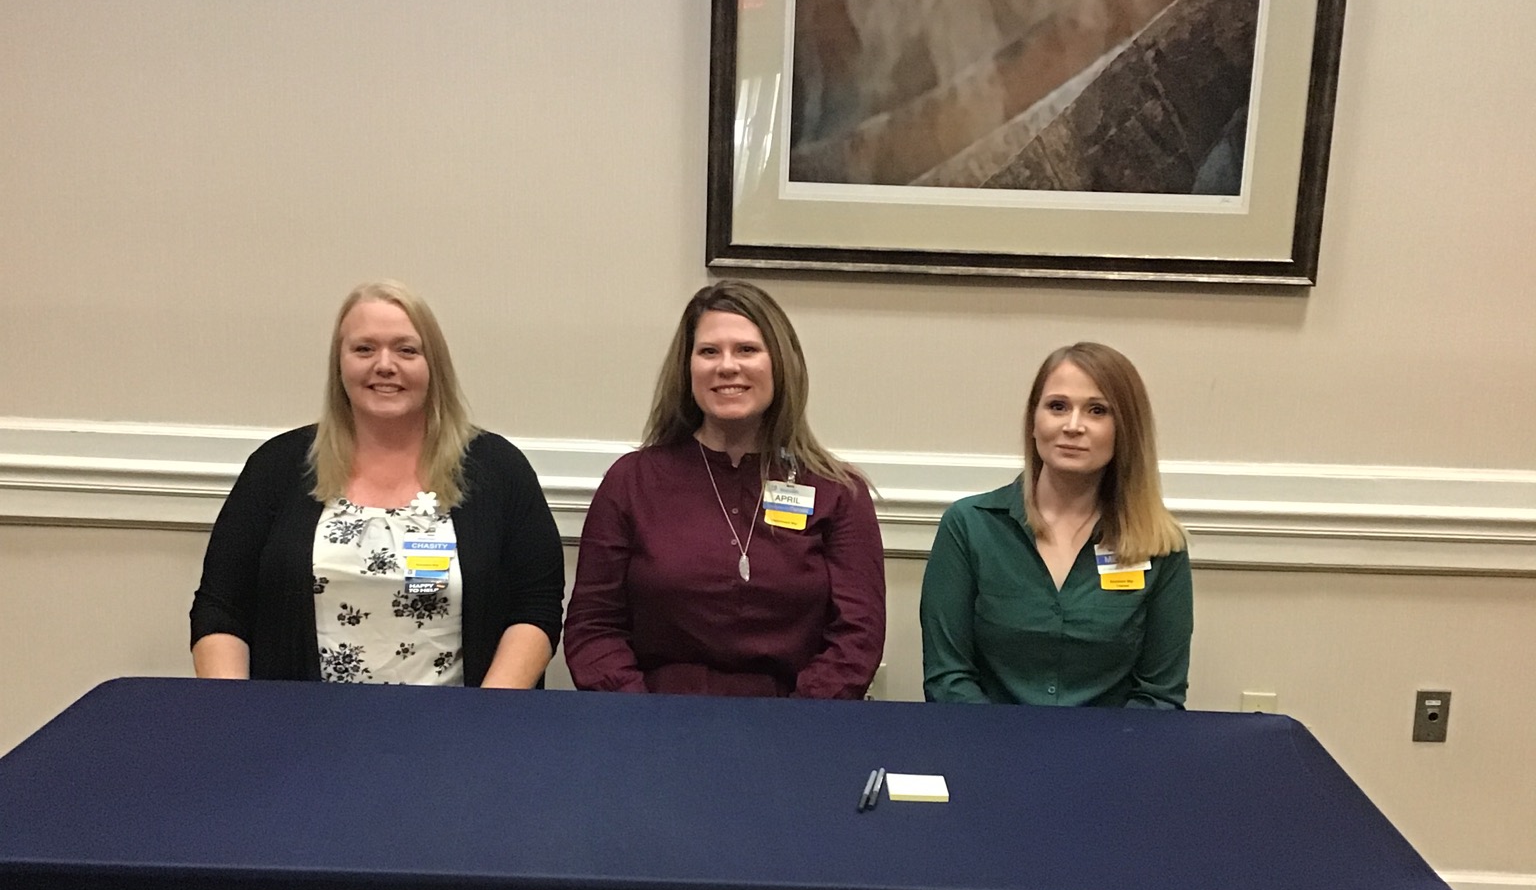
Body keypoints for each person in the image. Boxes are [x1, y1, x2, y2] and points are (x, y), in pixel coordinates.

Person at [190, 282, 564, 688]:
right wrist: (233, 709)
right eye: (364, 349)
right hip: (300, 720)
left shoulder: (497, 469)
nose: (384, 365)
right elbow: (221, 608)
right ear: (339, 364)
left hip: (458, 721)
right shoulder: (277, 467)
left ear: (434, 365)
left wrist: (486, 713)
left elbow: (535, 607)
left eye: (406, 350)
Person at [563, 280, 884, 698]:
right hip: (654, 717)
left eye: (747, 350)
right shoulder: (631, 481)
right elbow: (594, 629)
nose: (727, 366)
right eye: (709, 352)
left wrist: (798, 720)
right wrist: (642, 716)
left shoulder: (838, 492)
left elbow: (857, 637)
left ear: (780, 364)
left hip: (798, 719)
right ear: (688, 368)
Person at [921, 341, 1192, 707]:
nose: (1073, 426)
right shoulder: (970, 526)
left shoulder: (1160, 544)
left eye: (1097, 410)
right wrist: (1004, 739)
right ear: (1033, 421)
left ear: (1125, 429)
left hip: (1116, 742)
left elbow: (1159, 695)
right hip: (986, 737)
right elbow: (947, 677)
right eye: (1058, 406)